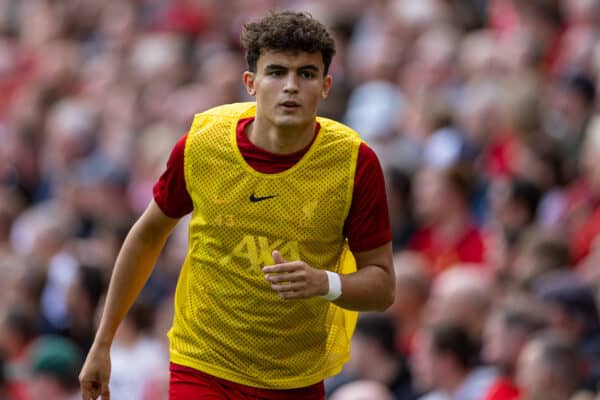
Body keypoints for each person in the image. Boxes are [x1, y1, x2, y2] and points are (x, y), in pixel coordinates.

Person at [79, 10, 395, 400]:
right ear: (251, 82)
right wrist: (103, 341)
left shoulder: (354, 163)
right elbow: (147, 236)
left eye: (307, 74)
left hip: (293, 378)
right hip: (203, 365)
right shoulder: (204, 143)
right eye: (277, 72)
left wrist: (325, 283)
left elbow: (382, 285)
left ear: (326, 85)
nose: (291, 86)